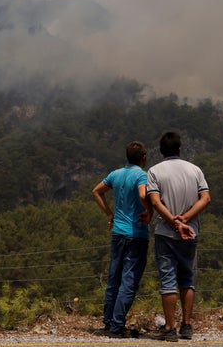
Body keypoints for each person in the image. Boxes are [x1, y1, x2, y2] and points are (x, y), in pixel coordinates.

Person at [146, 131, 210, 342]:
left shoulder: (155, 171)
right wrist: (186, 219)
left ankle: (170, 327)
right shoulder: (195, 170)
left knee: (167, 280)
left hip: (166, 233)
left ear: (161, 151)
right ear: (180, 150)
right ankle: (187, 325)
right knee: (187, 278)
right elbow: (205, 198)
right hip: (190, 232)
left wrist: (174, 222)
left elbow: (155, 202)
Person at [93, 141, 152, 338]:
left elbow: (96, 191)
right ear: (143, 158)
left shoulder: (115, 174)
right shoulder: (141, 175)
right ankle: (117, 326)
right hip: (136, 234)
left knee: (114, 278)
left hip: (118, 232)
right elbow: (143, 194)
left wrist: (109, 214)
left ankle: (109, 322)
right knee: (129, 280)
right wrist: (149, 211)